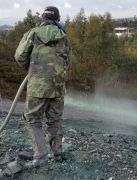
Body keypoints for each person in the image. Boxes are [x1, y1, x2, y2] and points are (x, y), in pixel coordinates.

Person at [14, 6, 71, 168]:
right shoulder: (65, 38)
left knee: (32, 119)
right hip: (58, 87)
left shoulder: (32, 34)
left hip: (37, 86)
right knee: (54, 121)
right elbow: (68, 63)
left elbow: (19, 56)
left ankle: (40, 157)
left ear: (43, 18)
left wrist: (32, 69)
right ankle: (57, 154)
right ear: (57, 19)